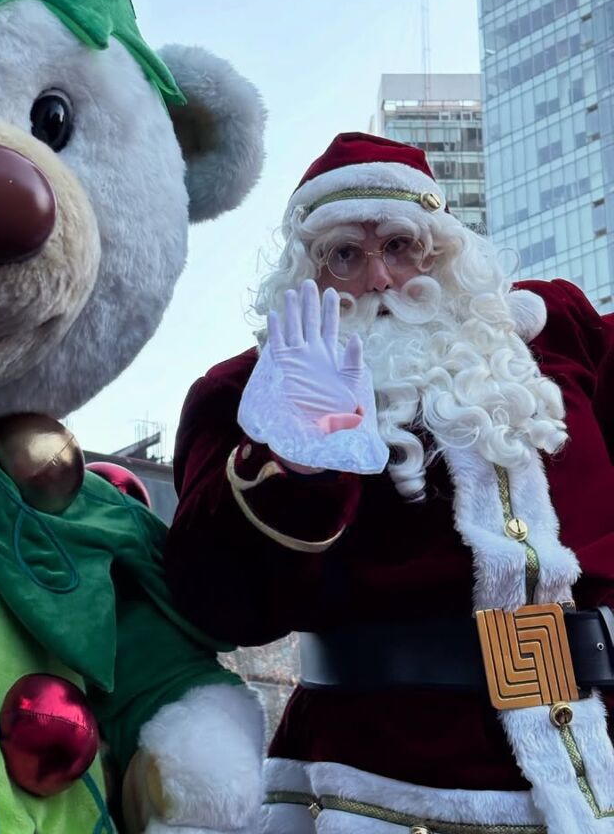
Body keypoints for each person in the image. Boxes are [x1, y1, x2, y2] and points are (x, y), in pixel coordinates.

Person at [166, 131, 614, 833]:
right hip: (384, 785)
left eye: (400, 245)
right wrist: (301, 464)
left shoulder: (556, 333)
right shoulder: (243, 395)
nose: (379, 278)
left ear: (443, 250)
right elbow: (218, 606)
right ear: (307, 274)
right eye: (346, 254)